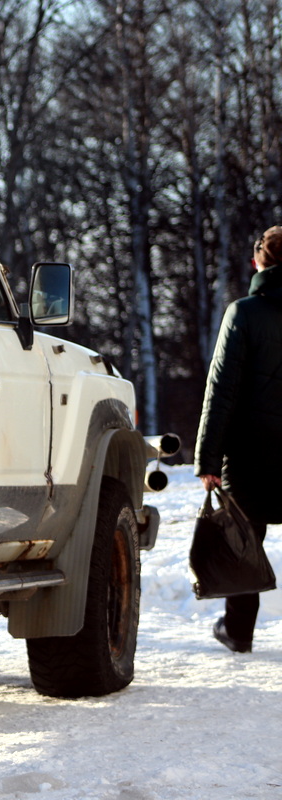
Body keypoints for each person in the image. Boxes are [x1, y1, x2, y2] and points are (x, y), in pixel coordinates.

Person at [195, 225, 282, 653]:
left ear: (258, 261)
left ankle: (238, 632)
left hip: (252, 452)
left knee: (245, 538)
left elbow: (222, 390)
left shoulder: (244, 314)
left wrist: (208, 459)